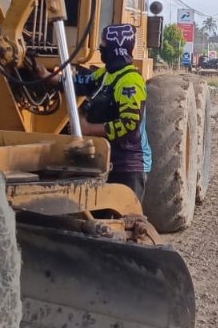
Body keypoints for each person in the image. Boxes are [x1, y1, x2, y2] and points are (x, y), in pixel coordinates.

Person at [46, 24, 150, 198]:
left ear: (114, 48)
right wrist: (48, 77)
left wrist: (88, 129)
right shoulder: (105, 74)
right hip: (107, 159)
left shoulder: (129, 81)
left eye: (103, 43)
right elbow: (79, 83)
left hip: (128, 166)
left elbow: (129, 124)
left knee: (123, 219)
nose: (100, 48)